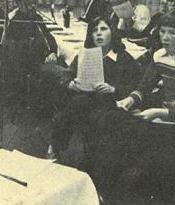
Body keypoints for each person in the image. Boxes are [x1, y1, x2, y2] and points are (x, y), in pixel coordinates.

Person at [90, 11, 175, 195]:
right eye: (163, 31)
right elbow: (143, 88)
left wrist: (158, 113)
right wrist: (128, 101)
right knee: (110, 124)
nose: (165, 37)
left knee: (125, 142)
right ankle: (99, 188)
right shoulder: (160, 55)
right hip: (160, 116)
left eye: (172, 33)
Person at [47, 17, 142, 163]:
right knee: (75, 102)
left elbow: (135, 85)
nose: (98, 34)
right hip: (86, 98)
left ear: (113, 32)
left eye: (103, 29)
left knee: (77, 107)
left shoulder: (123, 58)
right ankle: (58, 147)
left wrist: (113, 89)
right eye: (94, 30)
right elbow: (67, 73)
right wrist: (70, 83)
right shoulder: (85, 54)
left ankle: (56, 147)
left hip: (110, 103)